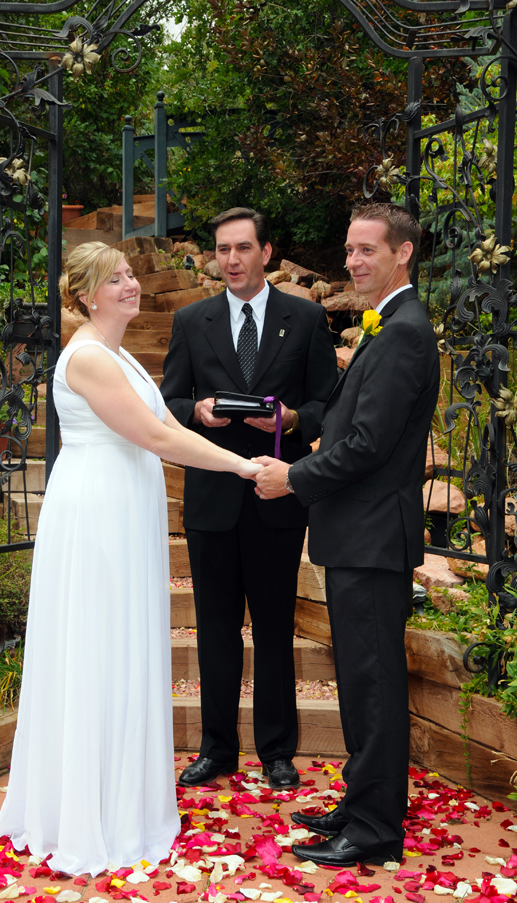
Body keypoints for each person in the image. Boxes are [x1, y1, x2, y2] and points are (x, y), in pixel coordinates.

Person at [0, 241, 263, 876]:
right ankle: (90, 810)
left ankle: (122, 796)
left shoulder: (116, 354)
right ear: (86, 294)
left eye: (132, 274)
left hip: (123, 510)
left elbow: (160, 426)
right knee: (97, 647)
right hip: (97, 518)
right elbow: (160, 436)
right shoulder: (86, 356)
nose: (132, 285)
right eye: (116, 279)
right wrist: (244, 465)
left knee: (123, 645)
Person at [254, 202, 439, 866]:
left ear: (403, 254)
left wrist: (293, 477)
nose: (354, 260)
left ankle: (375, 826)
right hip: (359, 536)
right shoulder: (386, 325)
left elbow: (364, 444)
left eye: (368, 249)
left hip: (371, 538)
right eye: (350, 248)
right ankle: (362, 801)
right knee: (362, 683)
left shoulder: (407, 332)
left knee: (374, 685)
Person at [160, 208, 338, 790]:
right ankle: (217, 750)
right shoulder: (191, 320)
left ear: (266, 252)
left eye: (242, 248)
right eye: (221, 249)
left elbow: (326, 407)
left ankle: (278, 750)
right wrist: (197, 411)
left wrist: (290, 420)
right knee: (214, 629)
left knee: (272, 629)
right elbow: (168, 403)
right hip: (213, 499)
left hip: (277, 495)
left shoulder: (307, 319)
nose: (230, 259)